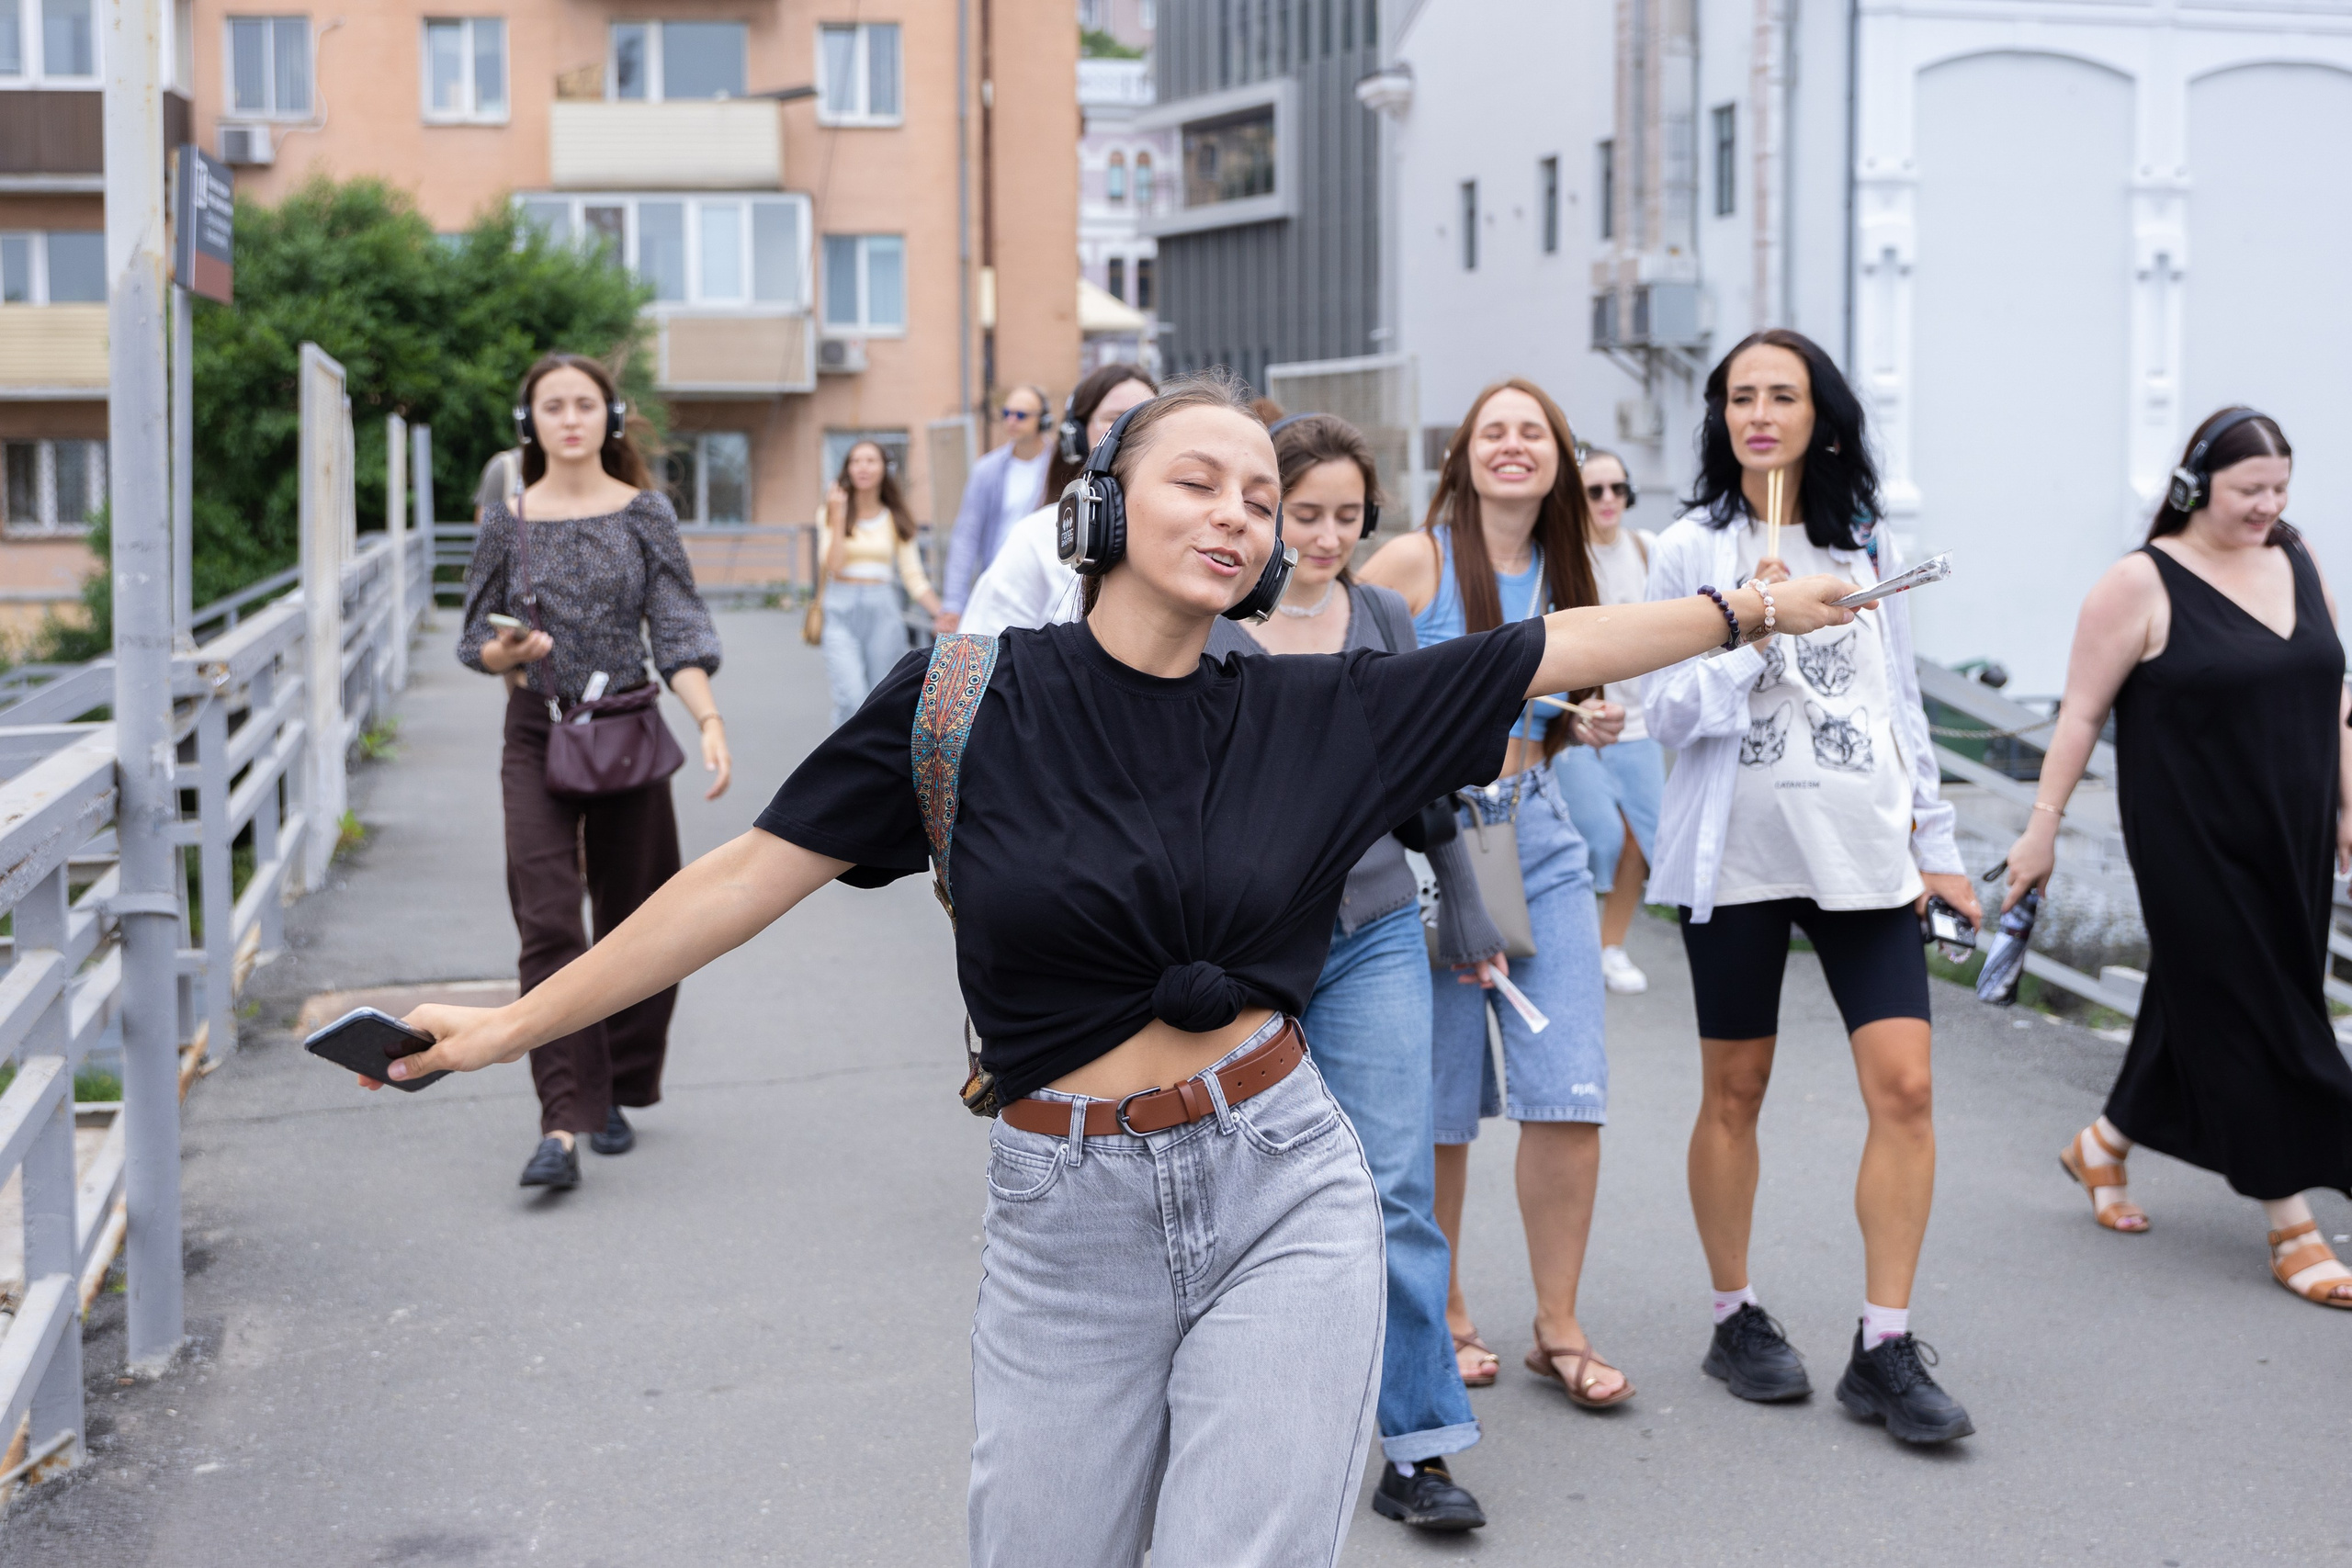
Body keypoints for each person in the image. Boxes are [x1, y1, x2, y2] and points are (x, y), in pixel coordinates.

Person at [384, 370, 1859, 1564]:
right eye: (1196, 480)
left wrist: (1753, 608)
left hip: (1283, 1178)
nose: (1235, 514)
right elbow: (740, 878)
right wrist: (518, 1024)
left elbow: (1549, 644)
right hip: (1061, 1209)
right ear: (1104, 506)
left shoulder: (1317, 709)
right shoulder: (965, 699)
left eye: (1260, 499)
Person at [1644, 328, 1979, 1444]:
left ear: (1820, 418)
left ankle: (1884, 1344)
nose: (1759, 414)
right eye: (1740, 396)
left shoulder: (1868, 545)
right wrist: (1752, 622)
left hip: (1864, 851)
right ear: (1720, 417)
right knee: (1734, 1092)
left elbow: (1902, 711)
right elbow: (1664, 714)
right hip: (1732, 856)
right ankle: (1733, 1315)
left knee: (1908, 1089)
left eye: (1781, 396)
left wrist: (1939, 847)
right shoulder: (1688, 548)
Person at [1204, 413, 1504, 1532]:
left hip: (1376, 926)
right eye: (1301, 512)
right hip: (1238, 950)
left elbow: (1424, 782)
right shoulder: (1211, 618)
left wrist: (1465, 909)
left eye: (1345, 515)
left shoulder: (1380, 613)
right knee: (1243, 1194)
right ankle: (1250, 1423)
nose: (1324, 537)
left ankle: (1419, 1443)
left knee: (1393, 1190)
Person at [2006, 406, 2352, 1307]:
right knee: (2262, 1011)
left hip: (2294, 829)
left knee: (2222, 992)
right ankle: (2291, 1221)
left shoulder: (2298, 556)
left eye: (2279, 489)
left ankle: (2103, 1146)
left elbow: (2333, 692)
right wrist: (2040, 826)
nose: (2266, 506)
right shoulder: (2140, 582)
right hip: (2191, 837)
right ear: (2195, 486)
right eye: (2248, 490)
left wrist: (2348, 802)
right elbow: (2079, 714)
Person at [1361, 378, 1634, 1411]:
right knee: (1433, 1104)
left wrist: (1590, 719)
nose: (1512, 446)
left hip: (1541, 831)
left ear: (1559, 457)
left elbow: (1578, 698)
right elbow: (1348, 692)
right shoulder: (1412, 562)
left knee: (1569, 1091)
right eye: (1493, 431)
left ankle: (1557, 1326)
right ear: (1462, 454)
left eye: (1533, 432)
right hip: (1429, 846)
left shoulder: (1574, 575)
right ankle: (1451, 1310)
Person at [457, 352, 730, 1191]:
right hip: (537, 730)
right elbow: (473, 637)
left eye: (585, 404)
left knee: (639, 921)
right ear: (528, 424)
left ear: (609, 420)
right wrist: (503, 652)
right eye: (552, 405)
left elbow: (677, 627)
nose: (569, 418)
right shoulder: (509, 520)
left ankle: (616, 1080)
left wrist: (709, 718)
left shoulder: (646, 513)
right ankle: (563, 1120)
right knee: (547, 922)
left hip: (627, 730)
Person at [1552, 447, 1666, 995]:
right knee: (1592, 834)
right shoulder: (1561, 555)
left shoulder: (1648, 549)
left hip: (1640, 720)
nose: (1607, 500)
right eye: (1594, 490)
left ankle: (1610, 946)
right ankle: (1575, 942)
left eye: (1617, 489)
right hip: (1581, 720)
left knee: (1641, 840)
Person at [958, 365, 1156, 638]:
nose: (1132, 430)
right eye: (1115, 418)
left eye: (1147, 419)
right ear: (1075, 436)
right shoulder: (1036, 537)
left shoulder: (1189, 535)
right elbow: (971, 658)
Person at [814, 440, 943, 726]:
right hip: (840, 607)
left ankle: (870, 768)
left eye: (871, 460)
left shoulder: (894, 517)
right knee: (850, 697)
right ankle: (841, 766)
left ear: (884, 468)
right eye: (856, 461)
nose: (863, 467)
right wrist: (837, 517)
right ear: (847, 468)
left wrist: (941, 613)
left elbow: (913, 575)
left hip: (882, 609)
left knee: (877, 698)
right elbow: (832, 564)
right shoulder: (831, 512)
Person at [937, 385, 1054, 630]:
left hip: (1047, 588)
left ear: (1043, 421)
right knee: (983, 663)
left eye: (1021, 415)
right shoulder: (986, 470)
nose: (1012, 420)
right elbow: (966, 538)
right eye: (1007, 413)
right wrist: (953, 604)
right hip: (998, 584)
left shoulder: (1060, 467)